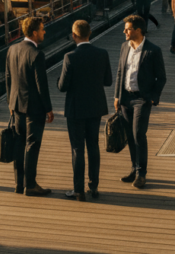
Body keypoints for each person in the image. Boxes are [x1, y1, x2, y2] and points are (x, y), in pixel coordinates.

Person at [57, 20, 113, 201]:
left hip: (75, 108)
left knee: (77, 148)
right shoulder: (102, 54)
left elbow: (62, 87)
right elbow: (108, 81)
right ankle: (94, 185)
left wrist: (61, 78)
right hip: (95, 106)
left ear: (74, 35)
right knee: (93, 146)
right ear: (90, 33)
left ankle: (78, 190)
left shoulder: (70, 57)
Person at [114, 15, 166, 189]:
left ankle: (141, 174)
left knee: (138, 134)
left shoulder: (153, 50)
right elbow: (120, 72)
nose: (124, 32)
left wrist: (152, 97)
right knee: (130, 135)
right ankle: (133, 169)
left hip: (142, 99)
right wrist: (116, 96)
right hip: (125, 98)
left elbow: (162, 77)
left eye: (128, 29)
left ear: (138, 30)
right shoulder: (124, 47)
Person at [6, 17, 54, 196]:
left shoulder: (12, 49)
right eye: (42, 29)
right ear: (34, 32)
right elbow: (41, 84)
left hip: (16, 104)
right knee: (32, 145)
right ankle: (31, 184)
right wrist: (48, 108)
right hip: (34, 107)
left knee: (19, 144)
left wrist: (10, 103)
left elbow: (8, 78)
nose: (44, 32)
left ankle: (19, 184)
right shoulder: (37, 54)